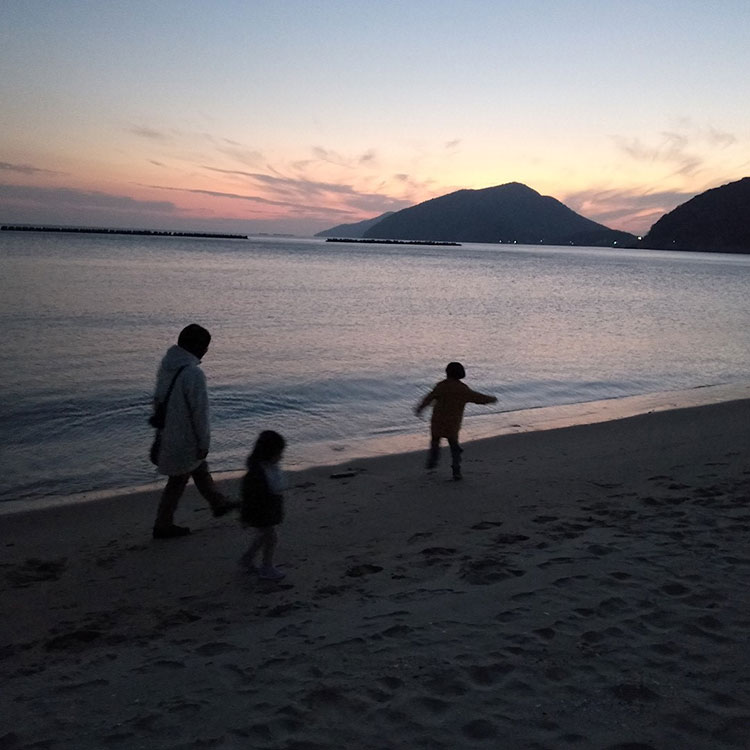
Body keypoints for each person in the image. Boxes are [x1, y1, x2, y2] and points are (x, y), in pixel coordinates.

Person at [151, 324, 236, 539]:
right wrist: (203, 443)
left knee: (198, 468)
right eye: (205, 347)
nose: (206, 351)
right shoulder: (193, 374)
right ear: (197, 347)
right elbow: (200, 413)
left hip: (168, 431)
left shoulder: (167, 366)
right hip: (184, 436)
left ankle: (218, 503)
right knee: (178, 480)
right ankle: (163, 524)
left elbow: (158, 400)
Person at [415, 361, 497, 480]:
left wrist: (420, 408)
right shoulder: (462, 389)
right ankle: (456, 470)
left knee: (435, 442)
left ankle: (432, 461)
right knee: (454, 446)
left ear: (447, 373)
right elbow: (478, 398)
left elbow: (428, 398)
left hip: (438, 421)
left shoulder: (441, 386)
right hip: (453, 423)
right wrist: (491, 399)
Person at [239, 430, 287, 581]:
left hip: (268, 510)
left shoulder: (268, 468)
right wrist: (245, 516)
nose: (281, 456)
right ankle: (266, 566)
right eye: (279, 453)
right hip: (261, 512)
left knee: (263, 536)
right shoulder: (256, 475)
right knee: (271, 537)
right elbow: (250, 497)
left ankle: (248, 558)